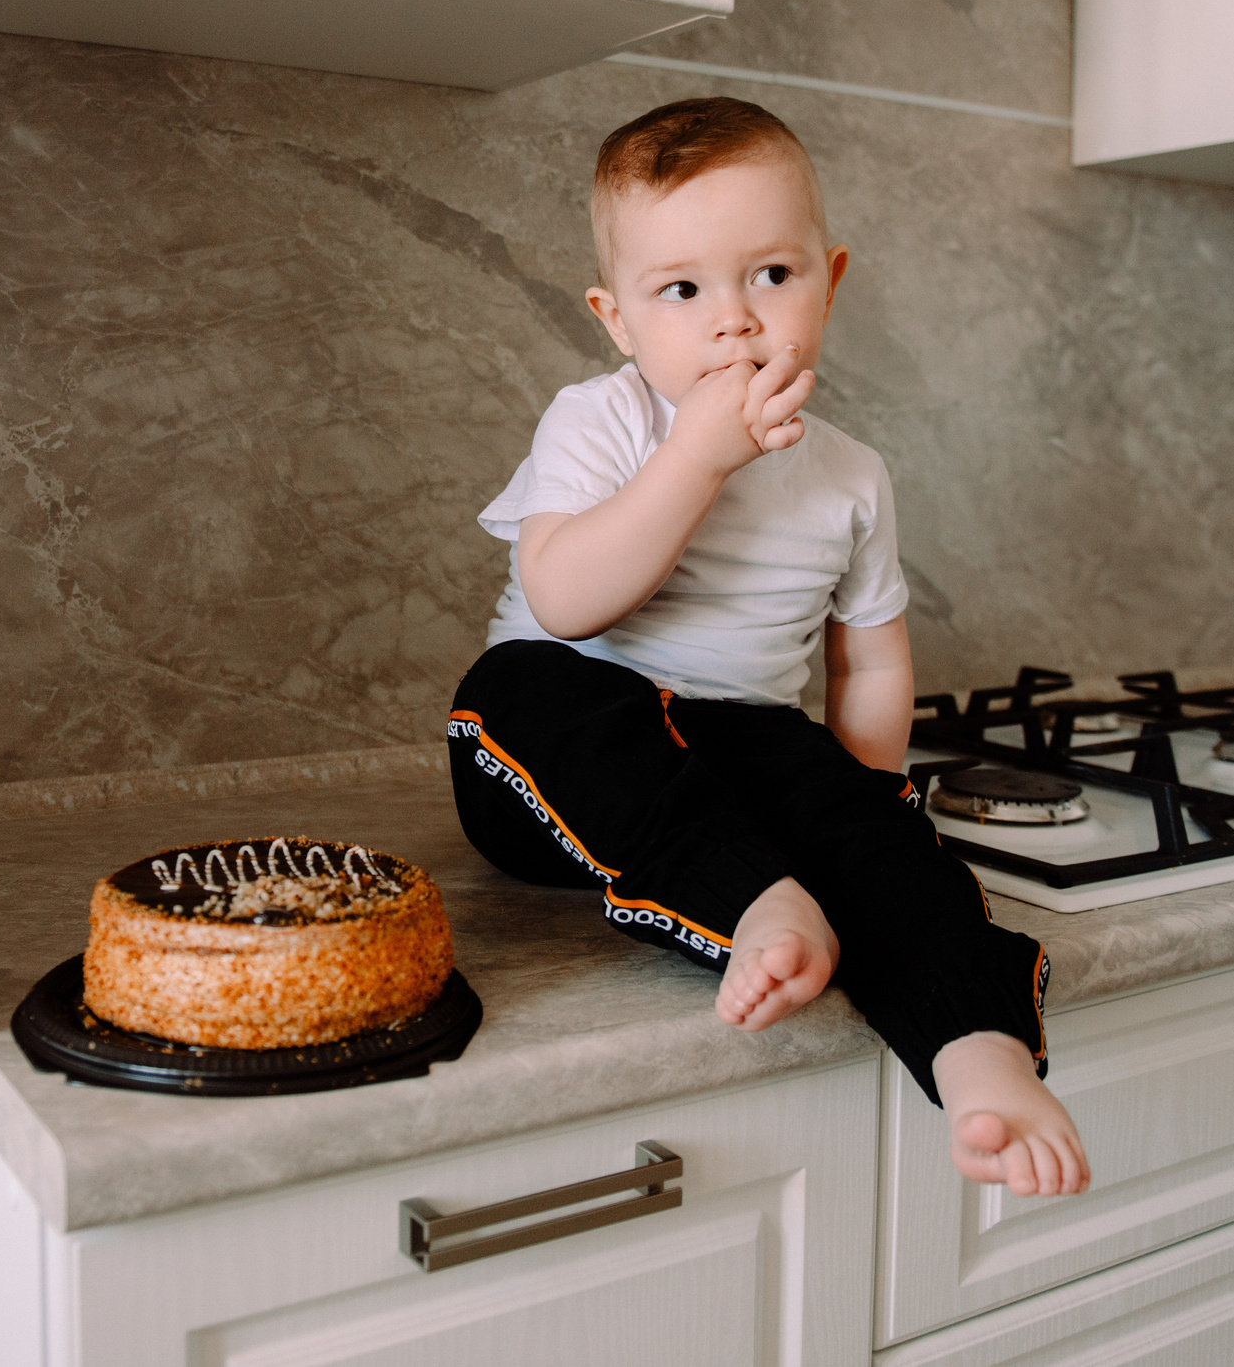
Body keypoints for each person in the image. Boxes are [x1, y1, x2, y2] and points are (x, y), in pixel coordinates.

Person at [448, 97, 1090, 1198]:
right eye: (682, 290)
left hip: (743, 740)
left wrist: (864, 806)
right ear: (618, 318)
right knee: (510, 680)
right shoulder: (600, 421)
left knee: (886, 842)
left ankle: (978, 1051)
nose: (734, 319)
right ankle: (755, 897)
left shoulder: (851, 472)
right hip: (561, 747)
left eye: (772, 276)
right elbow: (562, 599)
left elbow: (871, 662)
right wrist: (695, 458)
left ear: (829, 279)